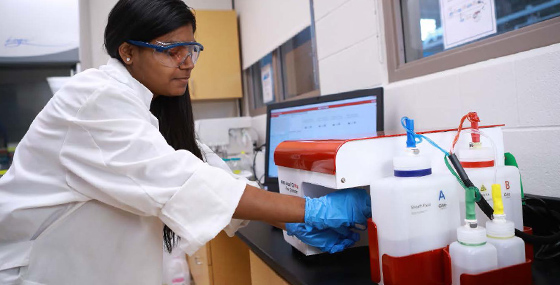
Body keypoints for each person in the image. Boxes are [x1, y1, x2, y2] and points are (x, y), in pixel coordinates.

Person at [0, 0, 371, 284]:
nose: (187, 61)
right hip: (42, 269)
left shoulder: (152, 106)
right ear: (128, 51)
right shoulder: (96, 98)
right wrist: (311, 211)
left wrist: (289, 216)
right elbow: (185, 182)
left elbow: (209, 171)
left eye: (191, 48)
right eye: (170, 50)